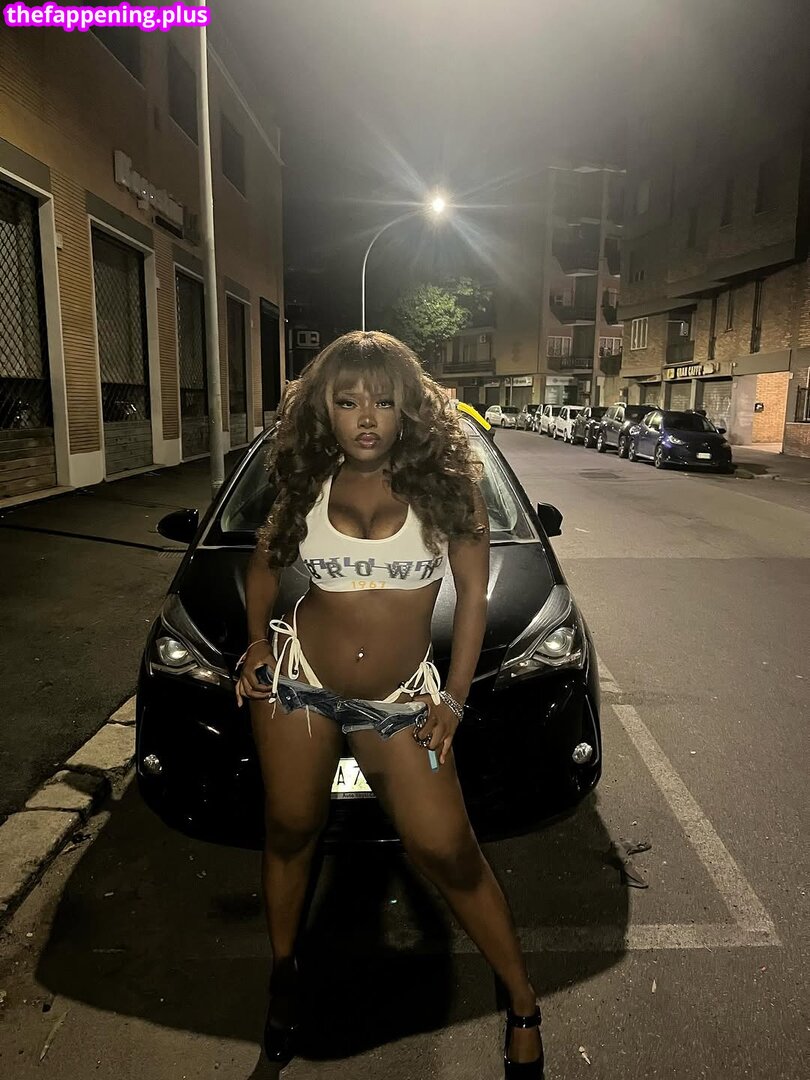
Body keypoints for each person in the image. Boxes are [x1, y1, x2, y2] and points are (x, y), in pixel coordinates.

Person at [236, 330, 544, 1078]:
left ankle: (523, 1002)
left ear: (410, 409)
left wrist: (456, 699)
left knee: (449, 853)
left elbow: (473, 597)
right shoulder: (307, 483)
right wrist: (255, 642)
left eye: (382, 401)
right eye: (348, 402)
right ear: (325, 411)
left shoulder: (448, 488)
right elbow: (264, 564)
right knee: (291, 831)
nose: (366, 418)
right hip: (300, 683)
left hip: (401, 699)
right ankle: (284, 974)